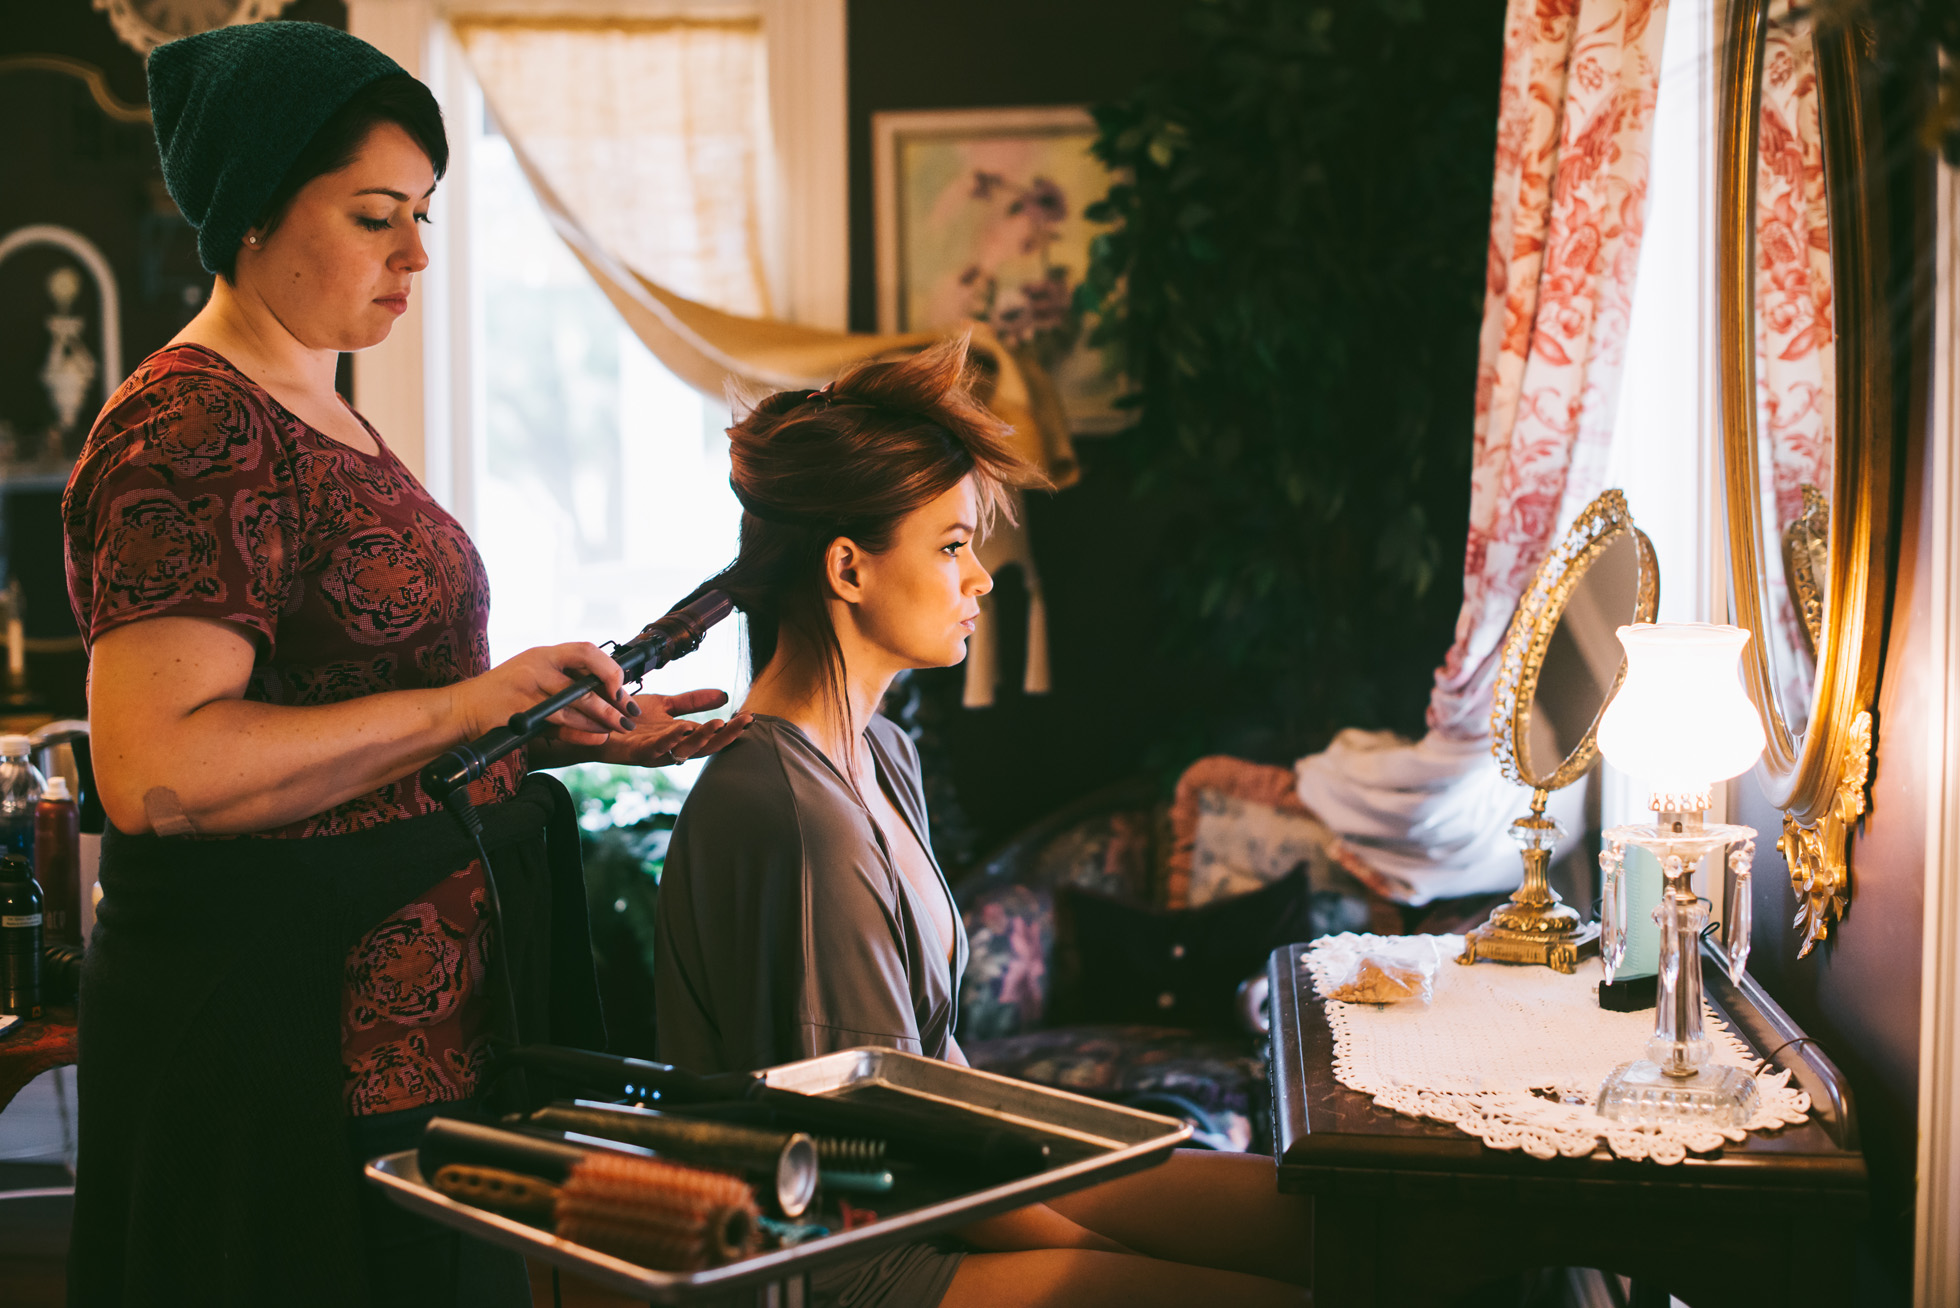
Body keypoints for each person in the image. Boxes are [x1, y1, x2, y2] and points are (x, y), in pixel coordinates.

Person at [59, 22, 746, 1307]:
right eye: (378, 214)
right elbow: (160, 767)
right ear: (255, 210)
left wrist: (529, 732)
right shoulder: (192, 422)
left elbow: (334, 712)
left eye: (423, 212)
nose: (416, 253)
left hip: (405, 1023)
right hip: (286, 1035)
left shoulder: (320, 406)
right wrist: (471, 703)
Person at [653, 339, 1313, 1308]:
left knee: (1319, 1221)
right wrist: (1098, 1227)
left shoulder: (881, 756)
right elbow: (878, 1143)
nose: (982, 578)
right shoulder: (792, 817)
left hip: (935, 1182)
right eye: (953, 545)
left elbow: (934, 1074)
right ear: (848, 567)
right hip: (854, 1257)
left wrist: (1101, 1150)